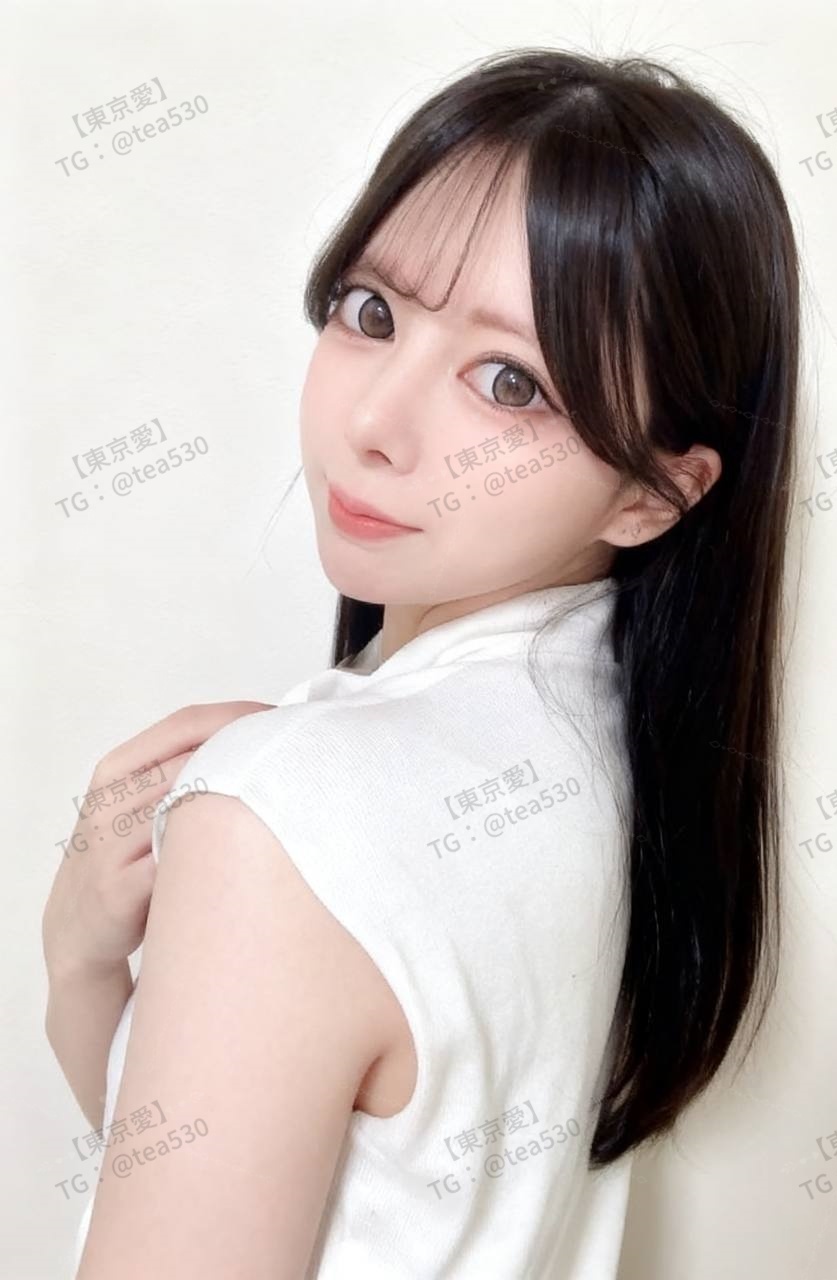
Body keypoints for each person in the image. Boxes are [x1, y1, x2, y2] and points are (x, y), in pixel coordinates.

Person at [44, 45, 798, 1278]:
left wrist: (100, 944)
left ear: (655, 494)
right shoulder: (632, 762)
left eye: (510, 383)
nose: (375, 423)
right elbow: (243, 1193)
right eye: (373, 312)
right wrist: (85, 970)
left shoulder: (288, 810)